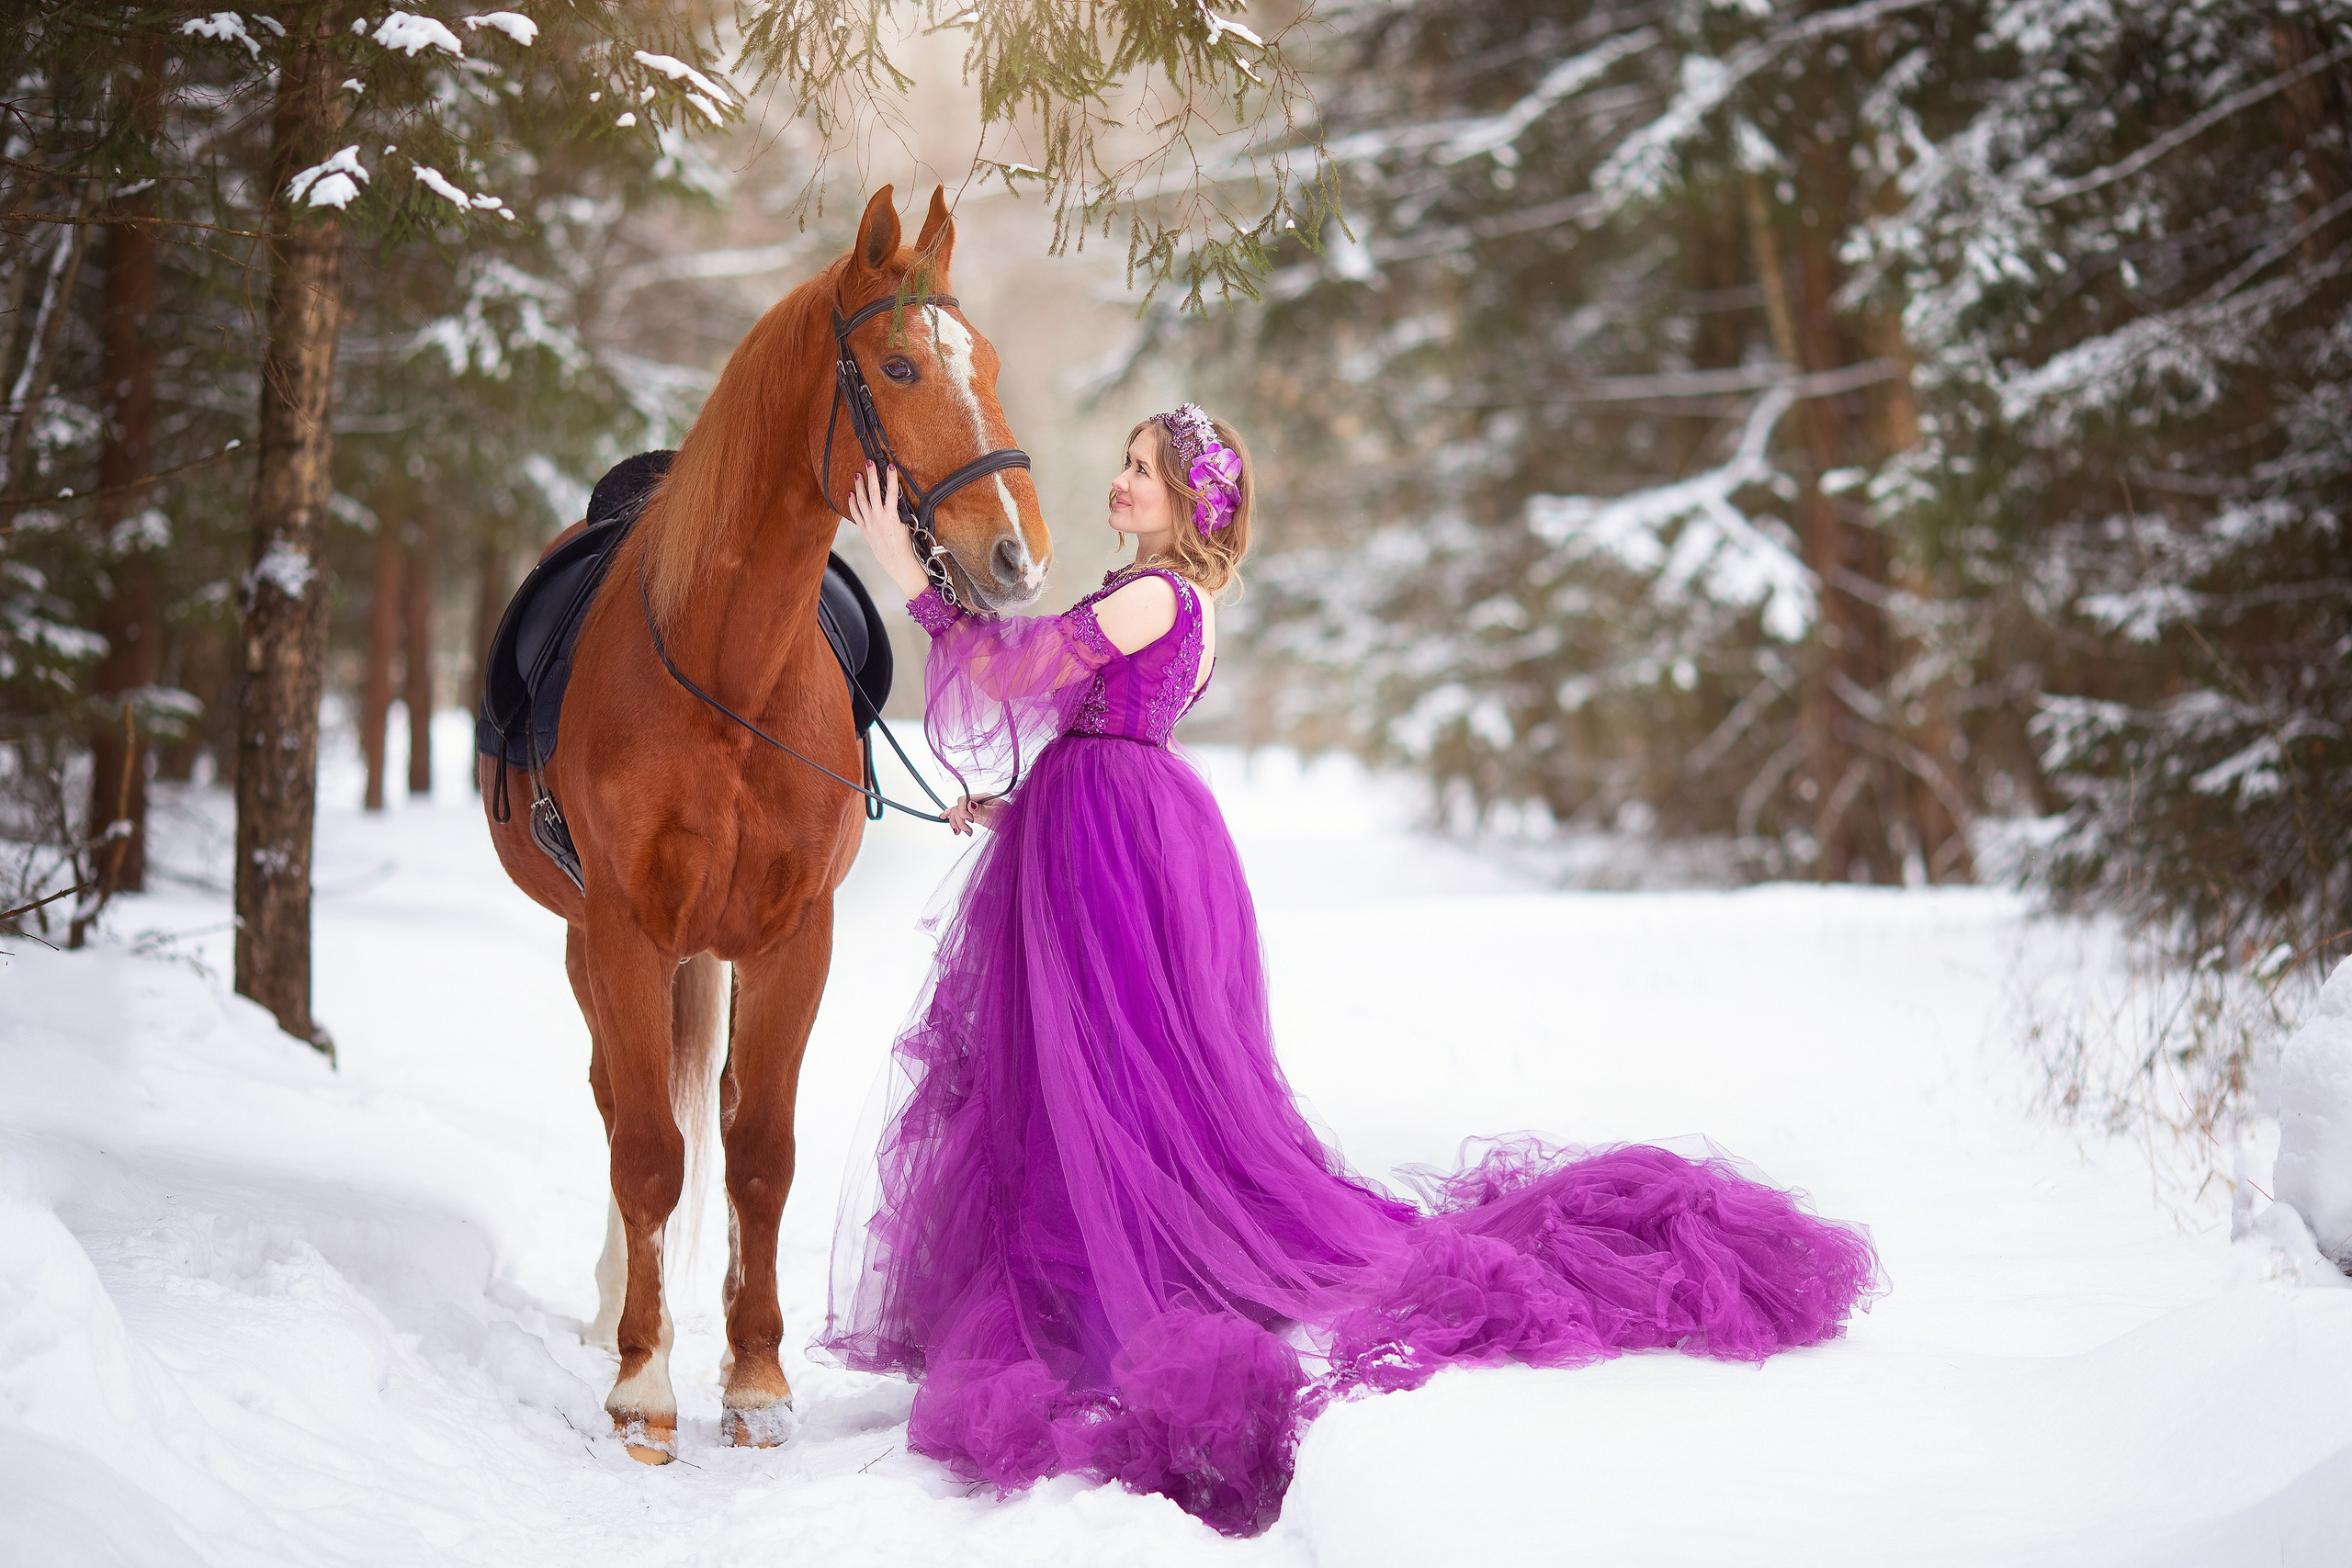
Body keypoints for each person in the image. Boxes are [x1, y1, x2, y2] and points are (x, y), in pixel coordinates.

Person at [827, 408, 1880, 1536]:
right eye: (1127, 465)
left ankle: (1109, 1284)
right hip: (1101, 826)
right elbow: (1084, 721)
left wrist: (909, 576)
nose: (1121, 483)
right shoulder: (1153, 595)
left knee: (1110, 1077)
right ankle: (1087, 1263)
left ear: (1193, 500)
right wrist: (1021, 804)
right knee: (1090, 1072)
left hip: (1114, 837)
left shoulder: (1161, 594)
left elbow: (1019, 668)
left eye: (1145, 471)